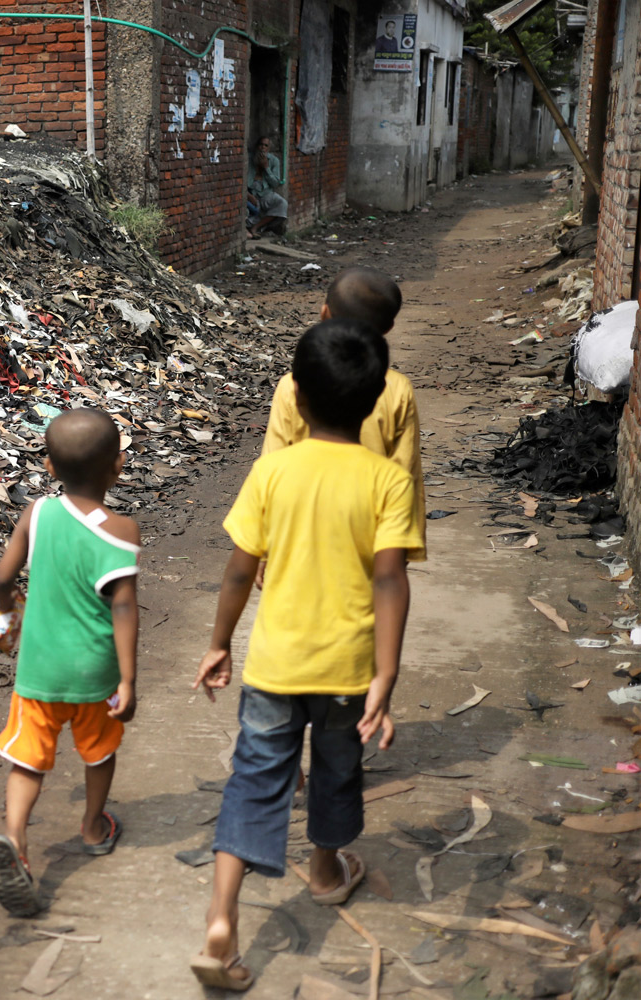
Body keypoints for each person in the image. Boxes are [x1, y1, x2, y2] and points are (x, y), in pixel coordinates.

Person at [189, 319, 416, 992]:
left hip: (275, 664)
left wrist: (218, 641)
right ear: (375, 401)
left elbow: (237, 570)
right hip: (347, 671)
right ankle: (323, 871)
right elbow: (389, 580)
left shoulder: (272, 470)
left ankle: (222, 922)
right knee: (336, 774)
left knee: (255, 781)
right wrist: (386, 674)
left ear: (297, 395)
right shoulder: (386, 482)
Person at [0, 408, 140, 917]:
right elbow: (123, 607)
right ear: (117, 467)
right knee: (99, 750)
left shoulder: (37, 514)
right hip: (95, 672)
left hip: (39, 670)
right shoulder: (122, 531)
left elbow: (1, 579)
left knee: (28, 758)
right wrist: (129, 679)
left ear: (49, 466)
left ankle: (14, 839)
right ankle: (94, 827)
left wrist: (6, 618)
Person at [261, 267, 426, 565]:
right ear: (387, 328)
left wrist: (265, 549)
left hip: (298, 538)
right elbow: (405, 470)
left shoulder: (293, 384)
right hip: (371, 541)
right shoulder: (398, 389)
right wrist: (400, 547)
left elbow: (272, 463)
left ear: (324, 312)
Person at [246, 136, 288, 238]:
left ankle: (255, 227)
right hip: (250, 194)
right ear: (257, 146)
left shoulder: (274, 161)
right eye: (261, 145)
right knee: (246, 211)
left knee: (282, 203)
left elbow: (275, 183)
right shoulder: (248, 159)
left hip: (266, 194)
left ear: (268, 149)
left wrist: (266, 168)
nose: (262, 148)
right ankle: (247, 230)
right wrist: (248, 195)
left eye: (266, 146)